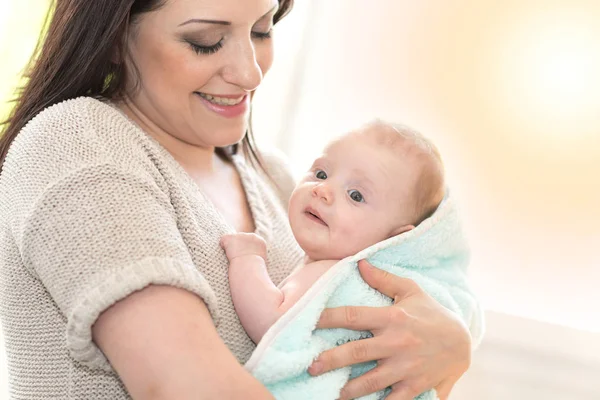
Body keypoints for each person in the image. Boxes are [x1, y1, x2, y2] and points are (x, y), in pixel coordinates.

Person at [0, 0, 480, 399]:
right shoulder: (78, 144)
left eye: (261, 30)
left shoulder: (275, 178)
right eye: (206, 40)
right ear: (112, 38)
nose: (250, 73)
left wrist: (450, 343)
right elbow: (184, 384)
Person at [221, 120, 446, 344]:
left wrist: (247, 258)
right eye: (321, 174)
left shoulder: (333, 274)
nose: (323, 190)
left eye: (355, 195)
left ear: (394, 239)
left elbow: (272, 325)